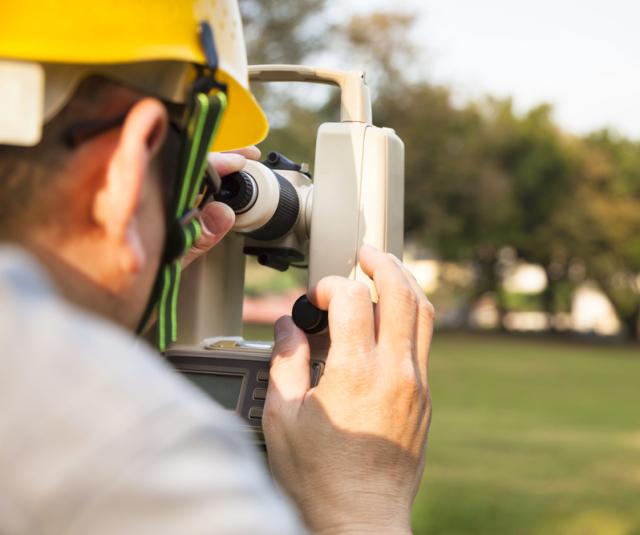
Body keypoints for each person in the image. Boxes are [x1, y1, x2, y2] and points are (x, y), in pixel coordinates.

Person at [0, 1, 433, 534]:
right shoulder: (134, 457)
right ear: (125, 169)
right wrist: (362, 504)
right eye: (188, 179)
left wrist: (104, 289)